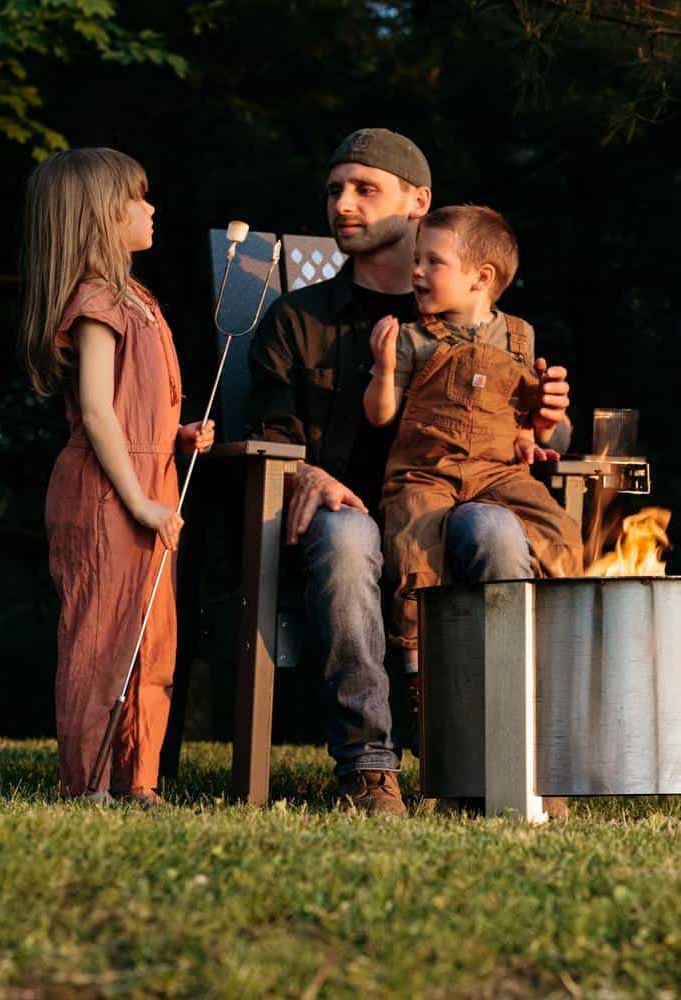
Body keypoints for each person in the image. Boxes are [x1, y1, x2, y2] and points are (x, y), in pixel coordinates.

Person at [245, 130, 573, 815]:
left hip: (459, 500)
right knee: (347, 538)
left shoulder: (470, 316)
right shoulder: (298, 320)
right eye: (335, 189)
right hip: (346, 511)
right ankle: (369, 763)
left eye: (366, 189)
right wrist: (305, 473)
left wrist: (548, 423)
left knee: (498, 530)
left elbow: (527, 422)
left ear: (419, 203)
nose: (344, 204)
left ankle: (498, 756)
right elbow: (269, 428)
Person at [18, 148, 214, 804]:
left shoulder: (142, 300)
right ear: (102, 216)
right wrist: (138, 500)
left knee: (151, 644)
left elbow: (133, 408)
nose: (152, 209)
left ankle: (140, 781)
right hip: (108, 496)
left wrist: (176, 437)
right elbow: (98, 411)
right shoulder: (98, 301)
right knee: (102, 640)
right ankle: (90, 783)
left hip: (150, 485)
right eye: (138, 198)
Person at [366, 205, 582, 662]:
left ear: (481, 277)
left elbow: (519, 411)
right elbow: (380, 415)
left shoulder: (519, 337)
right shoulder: (411, 338)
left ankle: (560, 635)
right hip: (426, 472)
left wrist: (529, 435)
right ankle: (414, 660)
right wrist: (384, 369)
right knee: (414, 549)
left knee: (558, 528)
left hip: (497, 473)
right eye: (416, 260)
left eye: (433, 262)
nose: (418, 271)